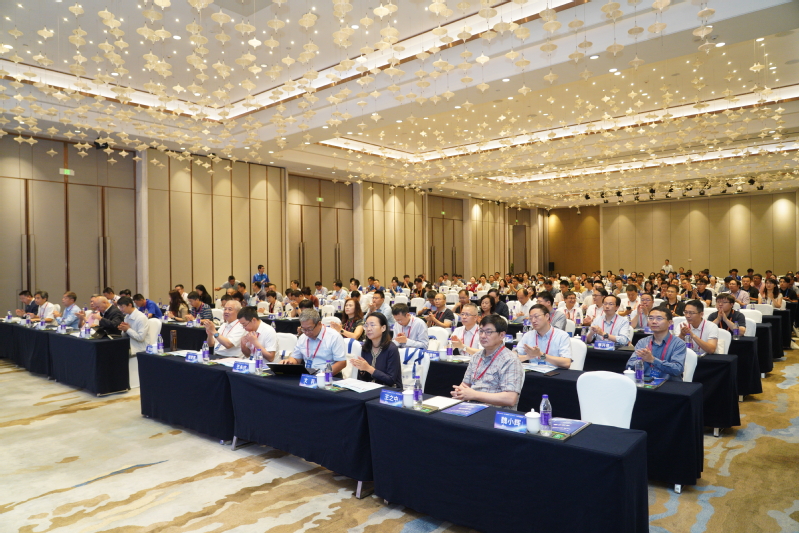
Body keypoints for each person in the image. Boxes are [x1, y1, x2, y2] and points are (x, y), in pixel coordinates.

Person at [450, 314, 524, 409]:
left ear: (502, 335)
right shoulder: (476, 357)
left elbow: (510, 399)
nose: (483, 336)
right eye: (481, 331)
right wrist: (459, 392)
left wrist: (474, 395)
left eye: (488, 332)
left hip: (494, 411)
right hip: (471, 407)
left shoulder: (510, 360)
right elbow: (465, 385)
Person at [627, 307, 686, 381]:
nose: (654, 322)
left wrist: (652, 360)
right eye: (651, 318)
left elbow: (677, 370)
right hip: (645, 382)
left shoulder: (678, 343)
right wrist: (640, 361)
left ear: (669, 323)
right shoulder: (642, 342)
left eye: (659, 318)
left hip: (669, 384)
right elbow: (629, 366)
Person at [352, 312, 402, 387]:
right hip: (370, 388)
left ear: (383, 328)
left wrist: (369, 368)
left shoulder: (391, 349)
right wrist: (362, 370)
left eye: (372, 325)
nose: (368, 329)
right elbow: (363, 379)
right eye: (366, 325)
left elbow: (391, 380)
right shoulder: (365, 347)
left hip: (389, 390)